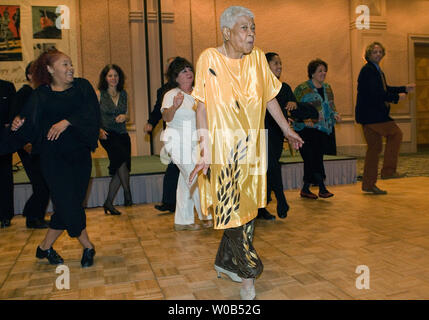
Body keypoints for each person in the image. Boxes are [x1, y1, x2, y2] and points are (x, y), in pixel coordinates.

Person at [189, 6, 303, 300]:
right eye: (244, 28)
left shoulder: (257, 60)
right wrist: (204, 149)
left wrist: (287, 130)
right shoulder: (209, 59)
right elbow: (201, 106)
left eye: (253, 28)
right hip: (221, 148)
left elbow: (270, 98)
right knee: (233, 212)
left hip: (251, 148)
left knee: (247, 211)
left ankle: (225, 262)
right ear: (226, 32)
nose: (251, 33)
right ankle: (249, 273)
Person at [2, 49, 99, 268]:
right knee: (68, 203)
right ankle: (88, 246)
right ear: (50, 69)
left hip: (80, 157)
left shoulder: (82, 87)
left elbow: (92, 114)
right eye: (65, 64)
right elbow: (29, 123)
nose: (70, 68)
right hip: (53, 159)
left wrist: (67, 121)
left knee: (70, 204)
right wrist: (18, 124)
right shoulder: (41, 95)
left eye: (71, 63)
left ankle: (44, 248)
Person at [355, 42, 415, 194]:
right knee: (395, 134)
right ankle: (388, 171)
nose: (378, 54)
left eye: (380, 52)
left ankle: (369, 184)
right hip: (373, 116)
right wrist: (396, 97)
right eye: (375, 52)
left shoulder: (377, 71)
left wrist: (404, 89)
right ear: (369, 54)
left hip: (371, 116)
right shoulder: (368, 70)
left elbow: (384, 88)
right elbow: (375, 94)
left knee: (374, 149)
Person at [160, 57, 212, 231]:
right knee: (194, 175)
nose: (188, 72)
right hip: (176, 141)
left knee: (185, 180)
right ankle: (207, 215)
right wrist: (174, 106)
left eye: (189, 69)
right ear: (176, 77)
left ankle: (183, 221)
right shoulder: (171, 94)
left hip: (194, 142)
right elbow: (166, 117)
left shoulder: (199, 92)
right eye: (183, 71)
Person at [257, 52, 298, 220]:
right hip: (261, 133)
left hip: (277, 135)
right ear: (266, 66)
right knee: (271, 166)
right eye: (275, 63)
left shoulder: (285, 88)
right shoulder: (258, 86)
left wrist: (294, 105)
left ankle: (262, 207)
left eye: (280, 63)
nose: (279, 66)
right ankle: (281, 200)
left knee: (269, 170)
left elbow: (294, 106)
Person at [9, 62, 50, 229]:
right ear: (29, 76)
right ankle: (33, 217)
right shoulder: (25, 93)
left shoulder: (40, 93)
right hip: (27, 147)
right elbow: (15, 119)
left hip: (38, 146)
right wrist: (25, 143)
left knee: (43, 183)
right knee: (41, 183)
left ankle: (34, 215)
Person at [293, 59, 341, 200]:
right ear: (312, 73)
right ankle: (321, 188)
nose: (323, 73)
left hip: (322, 130)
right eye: (320, 70)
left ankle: (307, 188)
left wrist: (336, 115)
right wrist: (303, 120)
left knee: (317, 158)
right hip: (305, 130)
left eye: (325, 70)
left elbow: (331, 106)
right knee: (310, 158)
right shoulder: (302, 89)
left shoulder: (328, 88)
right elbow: (295, 108)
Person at [144, 57, 180, 214]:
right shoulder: (164, 90)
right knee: (173, 167)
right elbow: (157, 109)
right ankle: (169, 201)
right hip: (174, 134)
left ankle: (172, 202)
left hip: (194, 134)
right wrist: (151, 122)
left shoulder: (193, 87)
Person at [98, 64, 132, 215]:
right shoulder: (99, 94)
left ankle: (108, 203)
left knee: (121, 167)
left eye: (116, 75)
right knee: (121, 161)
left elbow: (128, 115)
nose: (113, 78)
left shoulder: (124, 93)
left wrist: (125, 117)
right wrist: (98, 130)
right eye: (110, 76)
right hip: (107, 135)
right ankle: (127, 192)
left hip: (123, 134)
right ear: (105, 78)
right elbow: (92, 115)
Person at [0, 78, 16, 228]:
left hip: (3, 142)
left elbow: (13, 113)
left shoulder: (7, 86)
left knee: (4, 178)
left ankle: (5, 215)